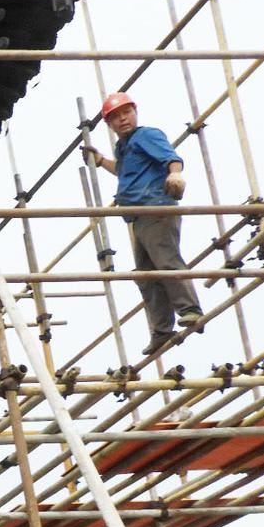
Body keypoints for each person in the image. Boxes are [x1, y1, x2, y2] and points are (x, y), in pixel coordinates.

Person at [85, 92, 199, 360]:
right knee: (146, 275)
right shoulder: (124, 147)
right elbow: (125, 171)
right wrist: (101, 161)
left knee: (166, 261)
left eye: (126, 113)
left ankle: (190, 310)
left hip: (156, 208)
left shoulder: (146, 135)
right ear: (109, 124)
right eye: (115, 117)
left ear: (135, 112)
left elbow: (170, 157)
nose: (123, 119)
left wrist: (175, 174)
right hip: (138, 216)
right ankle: (161, 329)